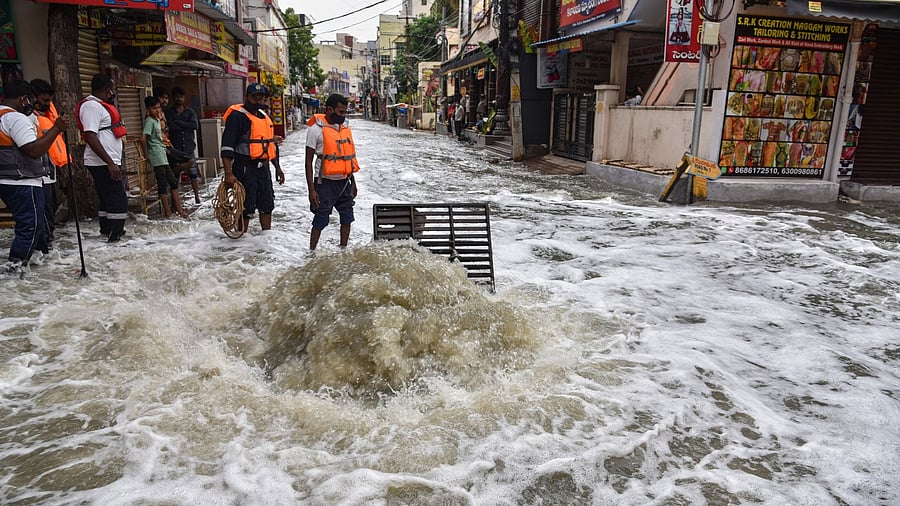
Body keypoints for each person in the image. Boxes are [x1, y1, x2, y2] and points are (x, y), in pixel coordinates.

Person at [0, 79, 68, 274]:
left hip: (7, 180)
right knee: (31, 225)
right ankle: (15, 269)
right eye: (30, 100)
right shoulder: (16, 119)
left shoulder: (2, 116)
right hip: (23, 181)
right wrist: (57, 129)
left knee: (30, 224)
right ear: (23, 99)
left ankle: (34, 261)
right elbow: (32, 150)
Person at [220, 83, 284, 234]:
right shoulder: (237, 117)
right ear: (246, 98)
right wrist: (229, 173)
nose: (258, 101)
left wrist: (278, 168)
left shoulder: (264, 117)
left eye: (261, 98)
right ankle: (241, 241)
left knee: (267, 205)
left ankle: (265, 240)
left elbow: (269, 146)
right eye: (254, 98)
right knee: (245, 207)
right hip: (244, 168)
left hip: (264, 168)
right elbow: (226, 147)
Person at [76, 73, 128, 243]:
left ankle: (108, 231)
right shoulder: (92, 107)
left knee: (108, 198)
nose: (113, 93)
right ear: (107, 90)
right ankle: (115, 235)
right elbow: (90, 136)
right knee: (117, 198)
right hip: (103, 163)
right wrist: (110, 163)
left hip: (106, 162)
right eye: (112, 90)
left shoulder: (99, 106)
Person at [304, 93, 359, 250]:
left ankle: (343, 249)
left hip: (344, 181)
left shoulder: (344, 129)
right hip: (324, 183)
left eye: (345, 112)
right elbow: (308, 162)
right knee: (321, 219)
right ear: (329, 109)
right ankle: (312, 252)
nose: (343, 116)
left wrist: (353, 182)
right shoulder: (315, 130)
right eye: (340, 112)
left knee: (347, 217)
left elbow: (347, 158)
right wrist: (311, 190)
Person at [30, 78, 69, 252]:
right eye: (44, 100)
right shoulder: (28, 119)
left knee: (50, 207)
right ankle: (44, 245)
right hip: (37, 174)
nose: (47, 104)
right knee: (44, 210)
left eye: (49, 101)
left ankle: (48, 242)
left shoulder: (49, 116)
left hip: (50, 171)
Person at [142, 96, 187, 220]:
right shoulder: (149, 121)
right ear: (148, 109)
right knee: (163, 184)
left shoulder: (157, 120)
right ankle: (168, 211)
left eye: (158, 108)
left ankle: (178, 209)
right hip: (156, 156)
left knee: (172, 182)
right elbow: (143, 138)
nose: (157, 110)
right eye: (154, 108)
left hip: (162, 154)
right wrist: (146, 155)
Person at [165, 86, 201, 204]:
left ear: (184, 98)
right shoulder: (169, 113)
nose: (179, 99)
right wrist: (185, 124)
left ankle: (197, 197)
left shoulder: (190, 112)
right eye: (177, 96)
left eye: (181, 96)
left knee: (193, 174)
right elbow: (171, 127)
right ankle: (176, 202)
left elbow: (195, 126)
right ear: (173, 98)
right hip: (175, 149)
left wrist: (179, 123)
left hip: (189, 147)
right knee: (175, 177)